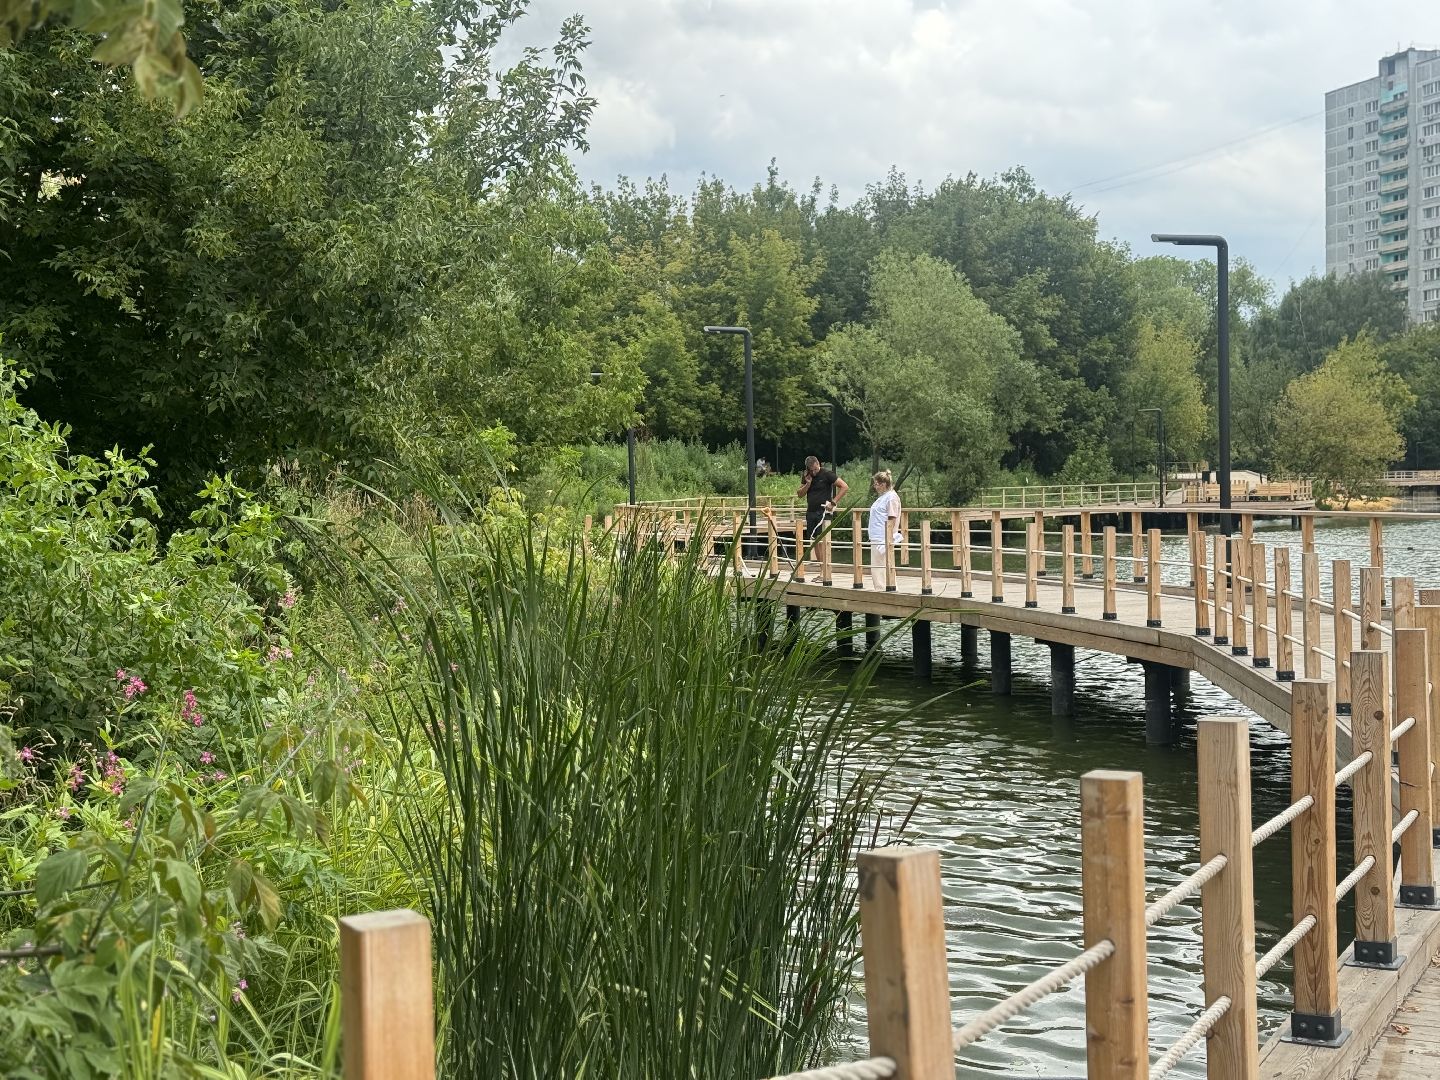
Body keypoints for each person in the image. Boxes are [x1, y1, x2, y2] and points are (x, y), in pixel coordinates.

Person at [796, 455, 849, 540]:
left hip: (823, 512)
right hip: (811, 512)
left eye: (815, 469)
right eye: (811, 470)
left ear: (818, 464)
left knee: (822, 540)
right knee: (812, 540)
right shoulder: (807, 475)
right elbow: (799, 494)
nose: (814, 472)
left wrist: (833, 502)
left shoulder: (827, 474)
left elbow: (844, 487)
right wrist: (808, 484)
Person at [867, 469, 901, 590]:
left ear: (883, 484)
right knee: (877, 566)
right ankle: (881, 588)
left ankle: (885, 588)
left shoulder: (891, 497)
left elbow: (892, 517)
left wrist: (889, 536)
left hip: (883, 536)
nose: (875, 487)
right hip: (876, 536)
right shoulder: (883, 497)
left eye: (876, 484)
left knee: (881, 565)